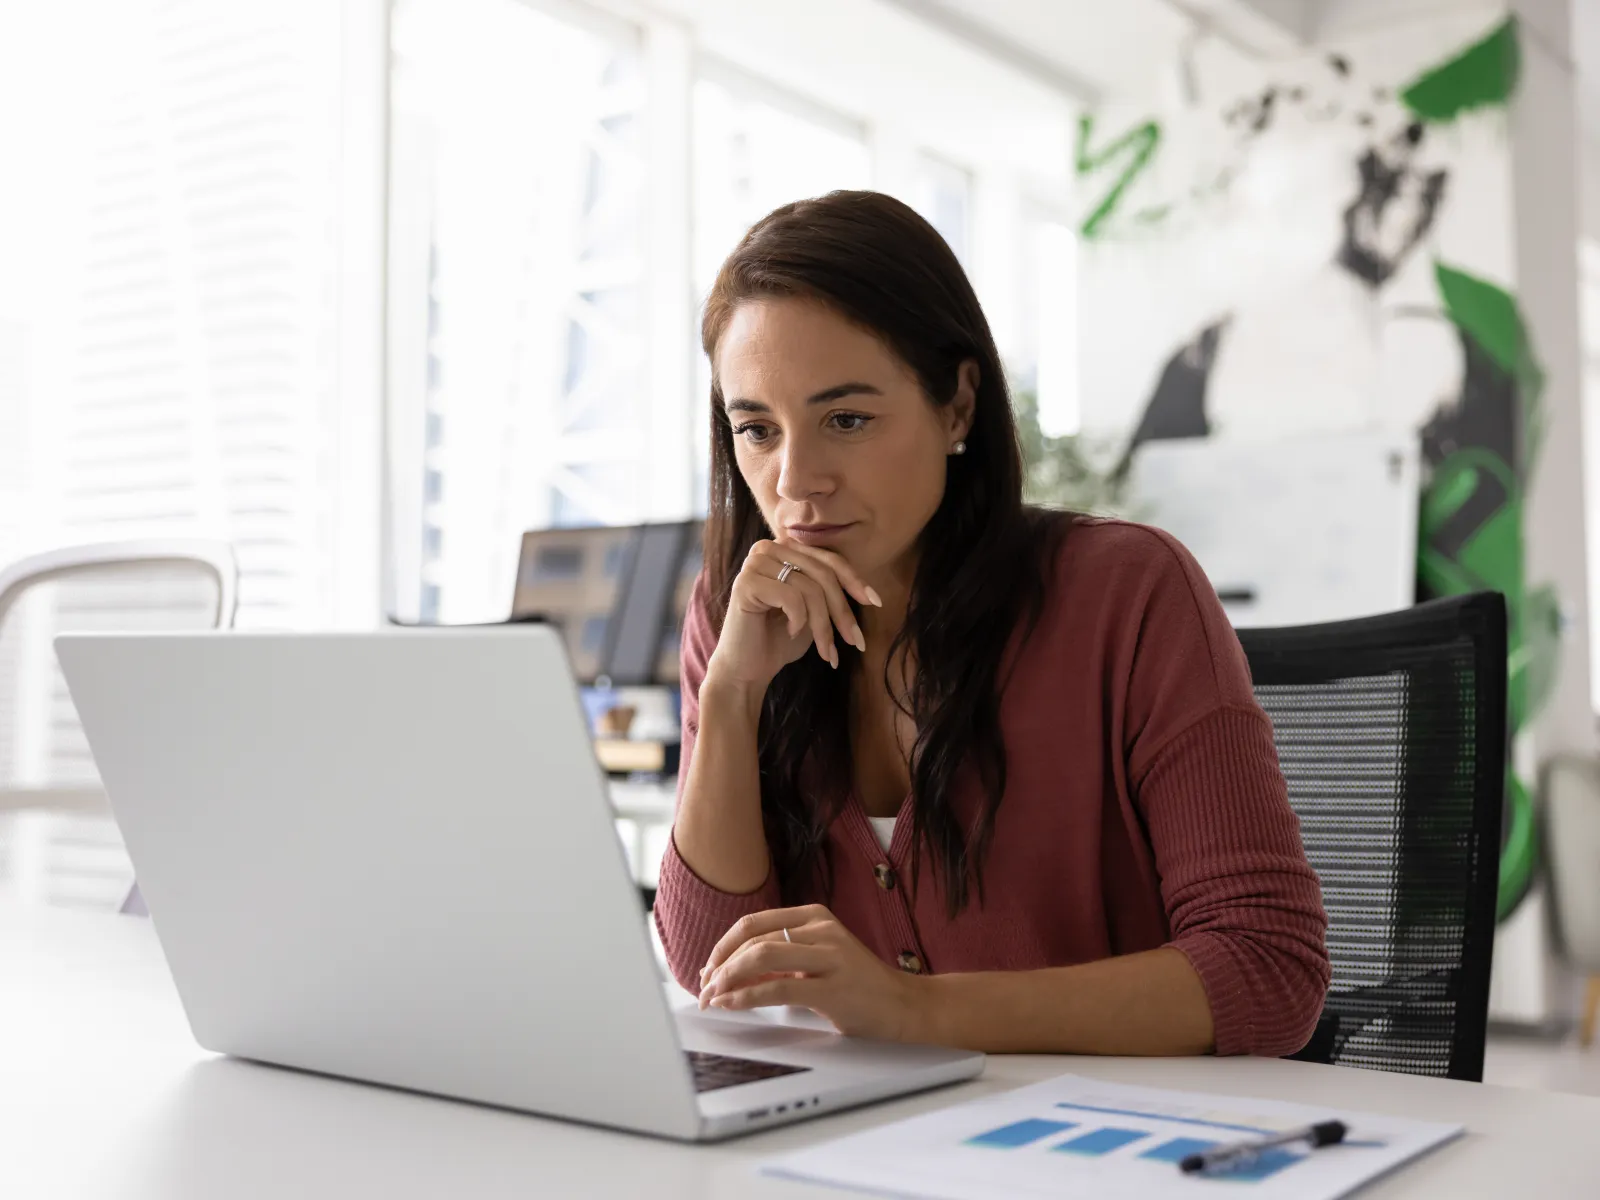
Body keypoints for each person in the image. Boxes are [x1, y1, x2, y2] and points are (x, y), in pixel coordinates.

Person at [654, 190, 1329, 1057]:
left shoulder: (1127, 594)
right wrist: (733, 693)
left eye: (846, 419)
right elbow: (718, 970)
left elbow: (1266, 969)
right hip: (876, 1142)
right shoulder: (739, 614)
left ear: (958, 406)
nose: (795, 482)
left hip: (1119, 1147)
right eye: (756, 429)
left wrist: (914, 1010)